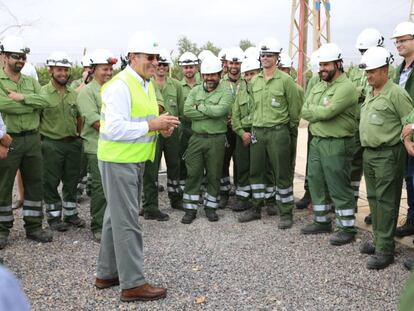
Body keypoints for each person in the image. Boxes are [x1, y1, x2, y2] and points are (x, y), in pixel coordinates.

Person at [95, 31, 179, 302]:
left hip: (133, 159)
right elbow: (116, 127)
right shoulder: (119, 86)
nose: (155, 62)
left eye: (157, 58)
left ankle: (106, 274)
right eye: (149, 57)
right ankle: (132, 284)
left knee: (114, 217)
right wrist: (151, 125)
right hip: (118, 159)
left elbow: (145, 120)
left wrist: (159, 128)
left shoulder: (146, 84)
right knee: (128, 221)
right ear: (132, 57)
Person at [238, 37, 303, 229]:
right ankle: (256, 208)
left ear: (277, 57)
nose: (265, 58)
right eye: (263, 55)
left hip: (278, 132)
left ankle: (285, 213)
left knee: (281, 173)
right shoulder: (255, 81)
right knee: (256, 171)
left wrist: (285, 130)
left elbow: (294, 111)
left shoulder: (286, 81)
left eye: (270, 55)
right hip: (258, 131)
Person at [358, 47, 413, 269]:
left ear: (385, 70)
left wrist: (408, 141)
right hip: (370, 154)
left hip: (388, 155)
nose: (368, 76)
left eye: (373, 72)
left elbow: (410, 120)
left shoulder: (396, 93)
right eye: (367, 72)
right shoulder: (371, 92)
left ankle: (385, 250)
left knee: (386, 202)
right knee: (374, 200)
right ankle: (380, 240)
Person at [300, 43, 358, 245]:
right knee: (315, 181)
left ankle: (347, 227)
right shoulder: (318, 85)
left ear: (338, 64)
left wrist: (316, 112)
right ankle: (321, 221)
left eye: (326, 65)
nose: (322, 69)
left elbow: (327, 112)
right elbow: (304, 109)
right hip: (317, 141)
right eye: (320, 65)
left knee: (338, 186)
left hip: (337, 142)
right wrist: (318, 112)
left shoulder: (347, 88)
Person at [0, 35, 53, 249]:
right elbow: (4, 105)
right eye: (15, 56)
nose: (20, 61)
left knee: (35, 182)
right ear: (3, 56)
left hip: (32, 138)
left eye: (23, 57)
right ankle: (2, 230)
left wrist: (22, 98)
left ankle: (33, 226)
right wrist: (30, 103)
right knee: (3, 186)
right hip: (8, 140)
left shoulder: (30, 81)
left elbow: (45, 101)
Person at [181, 55, 232, 224]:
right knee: (193, 174)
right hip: (196, 139)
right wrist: (210, 113)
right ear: (202, 75)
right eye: (206, 75)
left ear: (219, 74)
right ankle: (190, 209)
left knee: (214, 174)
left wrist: (200, 107)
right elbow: (187, 111)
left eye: (213, 75)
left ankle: (211, 208)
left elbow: (222, 111)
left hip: (216, 140)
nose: (209, 78)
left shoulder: (225, 91)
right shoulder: (195, 90)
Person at [40, 51, 85, 232]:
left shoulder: (73, 94)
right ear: (51, 70)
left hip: (73, 143)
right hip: (51, 144)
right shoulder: (42, 93)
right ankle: (53, 218)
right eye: (59, 70)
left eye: (66, 70)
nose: (63, 74)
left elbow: (80, 118)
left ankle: (71, 214)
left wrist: (79, 136)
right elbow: (36, 118)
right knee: (50, 182)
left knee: (72, 180)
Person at [77, 49, 117, 242]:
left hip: (117, 146)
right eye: (104, 69)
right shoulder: (86, 93)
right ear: (93, 70)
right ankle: (98, 225)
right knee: (100, 189)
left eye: (110, 69)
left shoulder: (115, 89)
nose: (109, 73)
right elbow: (95, 122)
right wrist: (123, 129)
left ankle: (113, 224)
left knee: (115, 188)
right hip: (97, 147)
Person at [349, 28, 386, 224]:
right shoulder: (358, 69)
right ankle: (352, 201)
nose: (364, 56)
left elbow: (364, 92)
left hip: (378, 128)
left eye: (366, 51)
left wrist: (358, 91)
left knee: (377, 173)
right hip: (357, 126)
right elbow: (351, 91)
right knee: (353, 166)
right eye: (362, 52)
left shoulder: (389, 69)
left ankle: (378, 210)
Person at [143, 49, 184, 220]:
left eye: (164, 65)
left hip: (172, 131)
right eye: (159, 64)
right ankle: (150, 205)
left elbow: (180, 110)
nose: (161, 68)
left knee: (175, 165)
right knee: (151, 169)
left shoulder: (176, 85)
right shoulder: (147, 84)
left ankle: (176, 199)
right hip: (153, 131)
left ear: (168, 67)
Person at [391, 22, 414, 240]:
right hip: (404, 137)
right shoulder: (400, 70)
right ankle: (411, 221)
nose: (399, 44)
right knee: (410, 180)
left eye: (403, 40)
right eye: (397, 41)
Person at [231, 57, 261, 212]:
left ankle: (258, 200)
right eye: (247, 74)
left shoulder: (263, 90)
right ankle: (243, 198)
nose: (249, 78)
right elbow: (235, 114)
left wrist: (251, 131)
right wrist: (242, 132)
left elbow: (262, 113)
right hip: (242, 134)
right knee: (242, 166)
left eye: (252, 74)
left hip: (258, 132)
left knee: (257, 168)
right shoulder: (240, 90)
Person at [219, 46, 244, 209]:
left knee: (241, 162)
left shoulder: (248, 81)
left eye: (237, 64)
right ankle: (224, 193)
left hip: (242, 128)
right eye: (231, 63)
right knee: (223, 161)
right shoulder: (221, 83)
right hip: (226, 129)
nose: (234, 67)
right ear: (226, 64)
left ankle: (241, 194)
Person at [177, 51, 201, 191]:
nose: (189, 70)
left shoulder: (204, 84)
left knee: (201, 159)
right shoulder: (178, 86)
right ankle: (184, 188)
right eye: (186, 67)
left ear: (196, 67)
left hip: (201, 127)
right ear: (182, 69)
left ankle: (200, 188)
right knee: (183, 158)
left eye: (191, 67)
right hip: (184, 127)